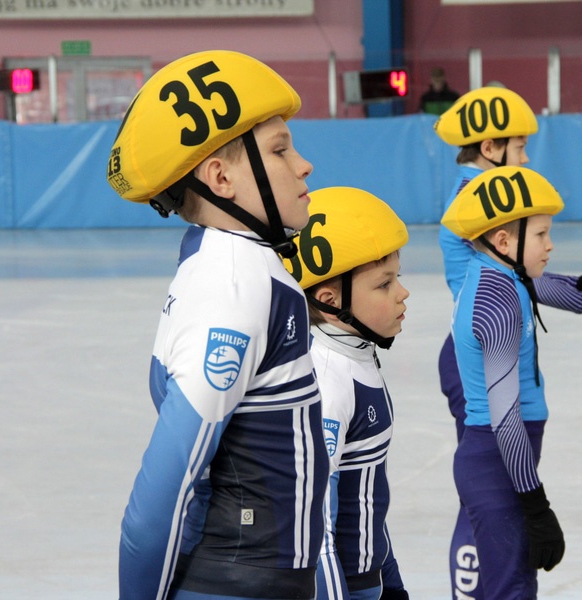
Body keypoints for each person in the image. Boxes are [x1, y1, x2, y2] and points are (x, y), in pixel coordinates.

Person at [106, 50, 329, 600]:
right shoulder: (234, 283)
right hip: (237, 581)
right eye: (280, 150)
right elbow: (162, 496)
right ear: (221, 177)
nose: (304, 166)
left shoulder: (230, 261)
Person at [433, 85, 582, 600]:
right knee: (490, 507)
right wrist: (537, 505)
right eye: (520, 146)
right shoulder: (481, 209)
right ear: (490, 148)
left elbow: (523, 281)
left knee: (491, 509)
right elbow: (508, 292)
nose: (527, 155)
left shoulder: (496, 222)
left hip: (492, 358)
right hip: (484, 363)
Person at [443, 165, 573, 598]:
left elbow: (551, 287)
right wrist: (537, 505)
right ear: (503, 241)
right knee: (510, 589)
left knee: (512, 584)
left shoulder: (503, 276)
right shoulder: (497, 301)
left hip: (498, 463)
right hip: (495, 461)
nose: (550, 245)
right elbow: (505, 418)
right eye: (540, 235)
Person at [285, 187, 411, 600]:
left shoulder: (357, 357)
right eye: (384, 284)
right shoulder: (326, 379)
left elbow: (367, 497)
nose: (402, 293)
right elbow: (313, 527)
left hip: (363, 582)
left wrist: (389, 582)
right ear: (330, 299)